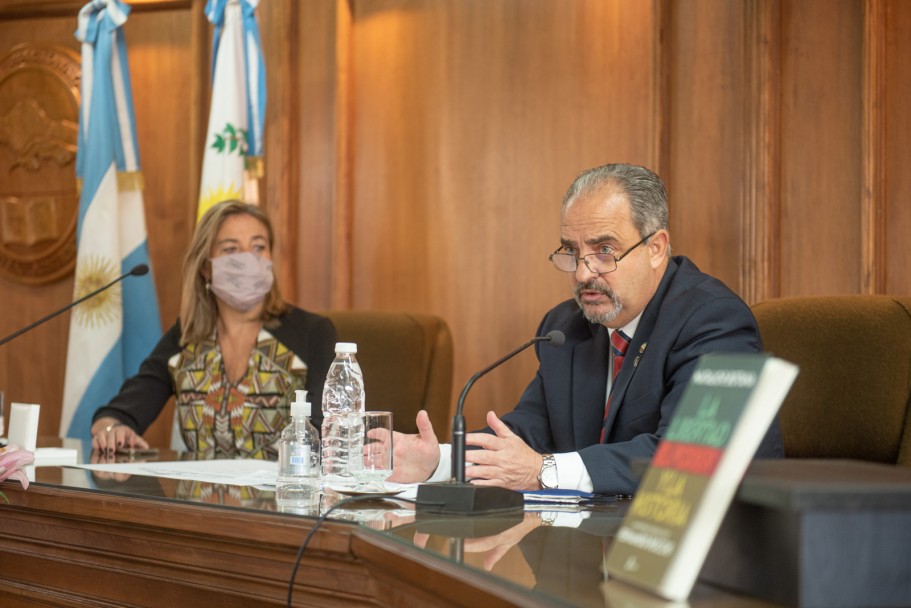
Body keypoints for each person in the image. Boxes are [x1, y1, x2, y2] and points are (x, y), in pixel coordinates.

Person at [390, 163, 783, 494]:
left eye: (604, 250)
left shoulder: (713, 320)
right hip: (592, 552)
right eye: (572, 252)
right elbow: (530, 433)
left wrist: (543, 472)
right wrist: (441, 460)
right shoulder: (567, 327)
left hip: (702, 561)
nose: (582, 272)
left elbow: (690, 456)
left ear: (656, 248)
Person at [91, 200, 338, 459]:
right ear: (205, 267)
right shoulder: (188, 336)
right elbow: (119, 412)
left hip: (286, 494)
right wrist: (113, 429)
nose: (248, 259)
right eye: (231, 249)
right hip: (200, 496)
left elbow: (327, 434)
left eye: (258, 247)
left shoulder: (313, 333)